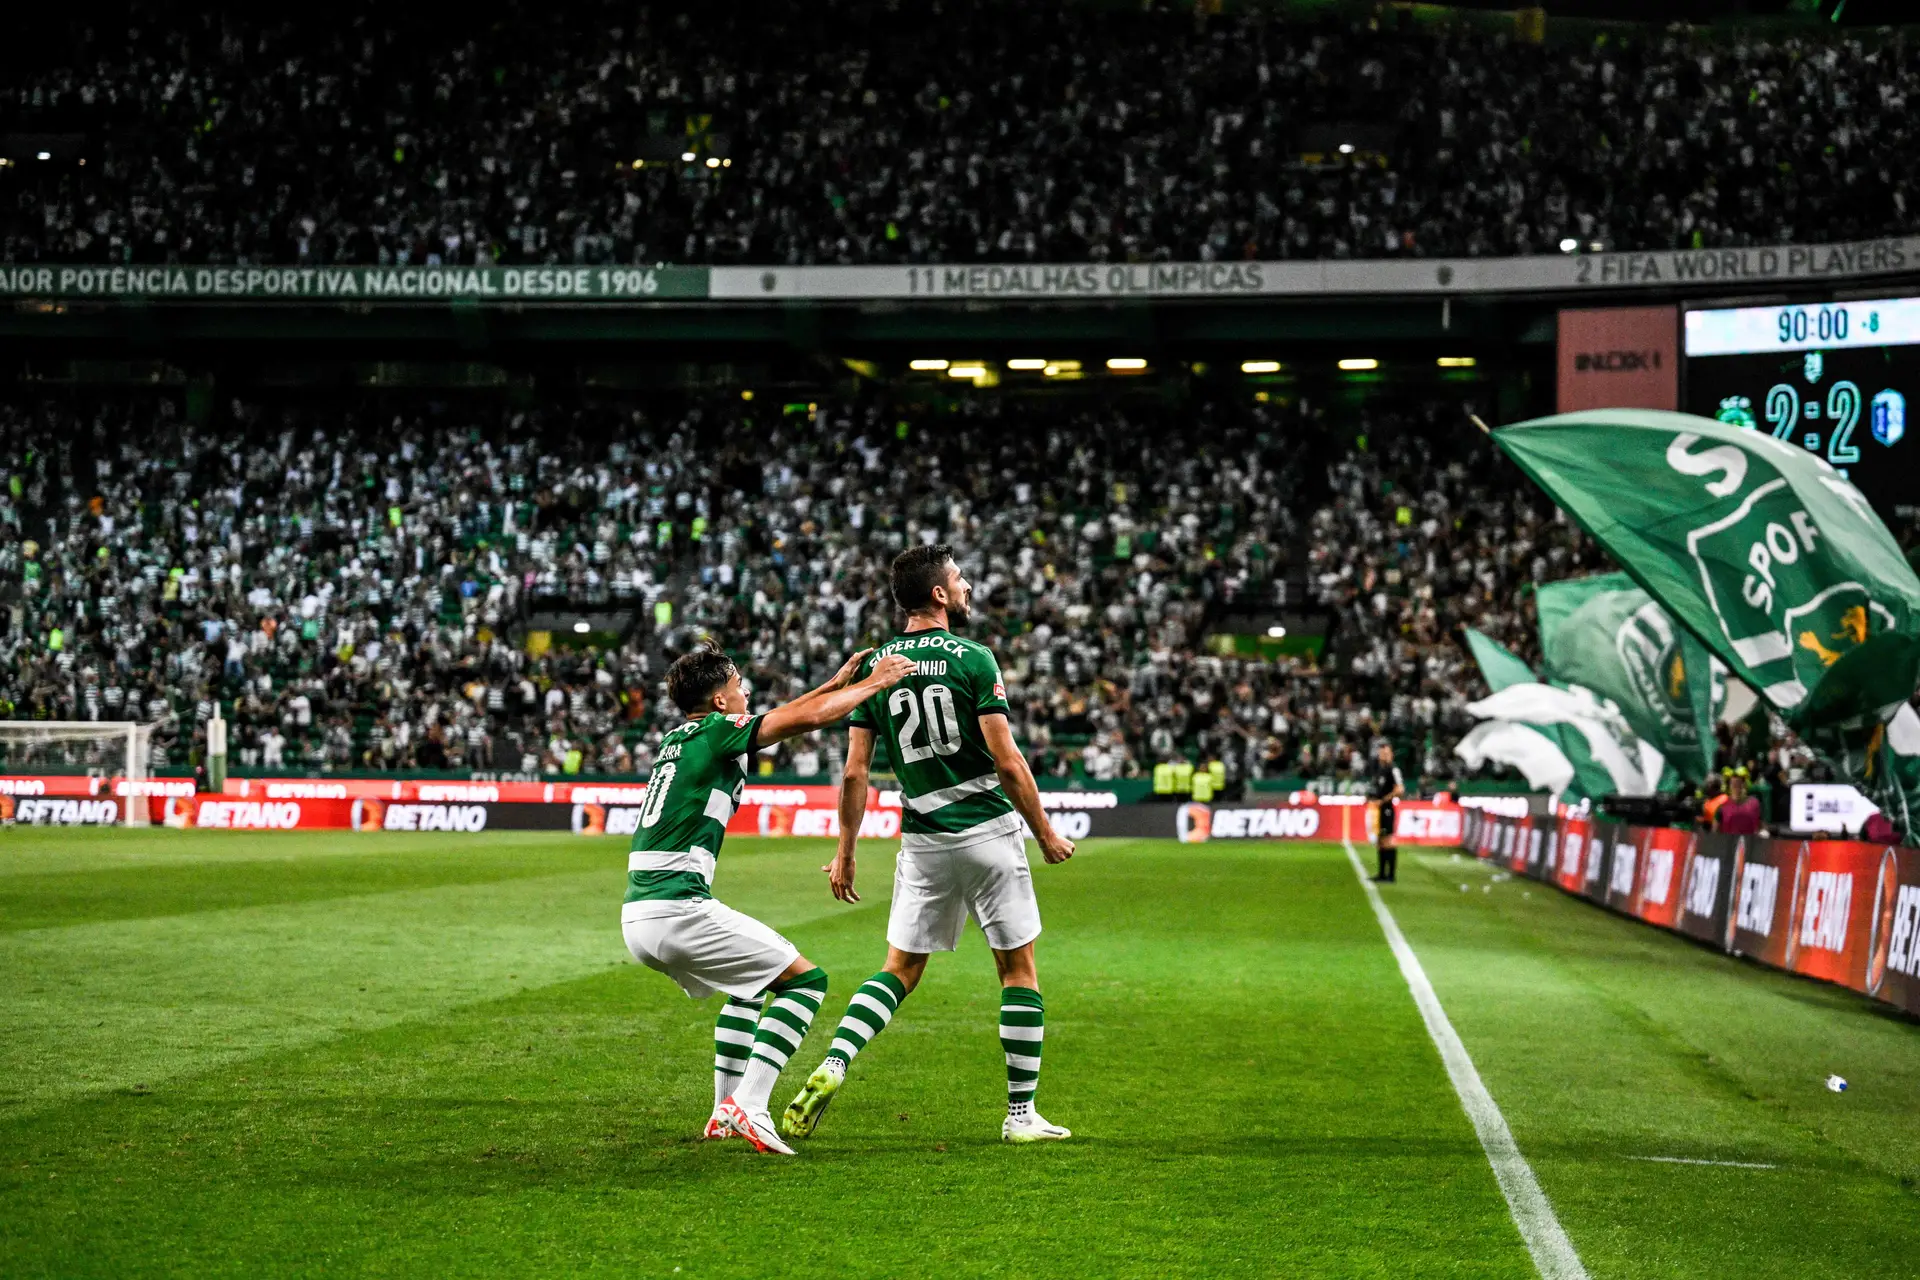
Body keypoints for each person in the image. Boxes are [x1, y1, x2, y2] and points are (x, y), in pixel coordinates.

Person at [781, 544, 1077, 1144]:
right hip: (989, 834)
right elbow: (1008, 759)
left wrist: (846, 849)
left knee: (899, 970)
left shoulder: (876, 666)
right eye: (960, 578)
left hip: (922, 841)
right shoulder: (974, 659)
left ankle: (835, 1061)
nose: (967, 586)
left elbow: (855, 772)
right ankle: (1021, 1116)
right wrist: (1044, 832)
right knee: (1018, 971)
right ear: (938, 594)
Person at [620, 638, 913, 1156]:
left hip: (641, 913)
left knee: (751, 986)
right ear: (718, 702)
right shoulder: (716, 732)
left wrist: (834, 685)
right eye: (737, 685)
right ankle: (751, 1105)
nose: (745, 691)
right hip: (676, 907)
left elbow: (783, 716)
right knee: (807, 982)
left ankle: (722, 1111)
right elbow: (794, 723)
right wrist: (872, 684)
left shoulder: (682, 737)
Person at [1370, 741, 1405, 882]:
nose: (1381, 755)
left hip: (1387, 808)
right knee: (1380, 840)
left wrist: (1383, 800)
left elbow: (1399, 789)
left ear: (1390, 754)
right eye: (1380, 753)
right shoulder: (1381, 770)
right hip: (1380, 809)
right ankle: (1381, 874)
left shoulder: (1393, 769)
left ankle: (1390, 875)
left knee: (1388, 840)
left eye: (1384, 753)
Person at [1715, 768, 1765, 837]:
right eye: (1733, 783)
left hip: (1750, 844)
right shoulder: (1722, 807)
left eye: (1739, 783)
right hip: (1728, 845)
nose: (1736, 786)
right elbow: (1715, 833)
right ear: (1729, 786)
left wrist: (1764, 833)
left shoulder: (1754, 803)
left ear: (1743, 785)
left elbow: (1762, 827)